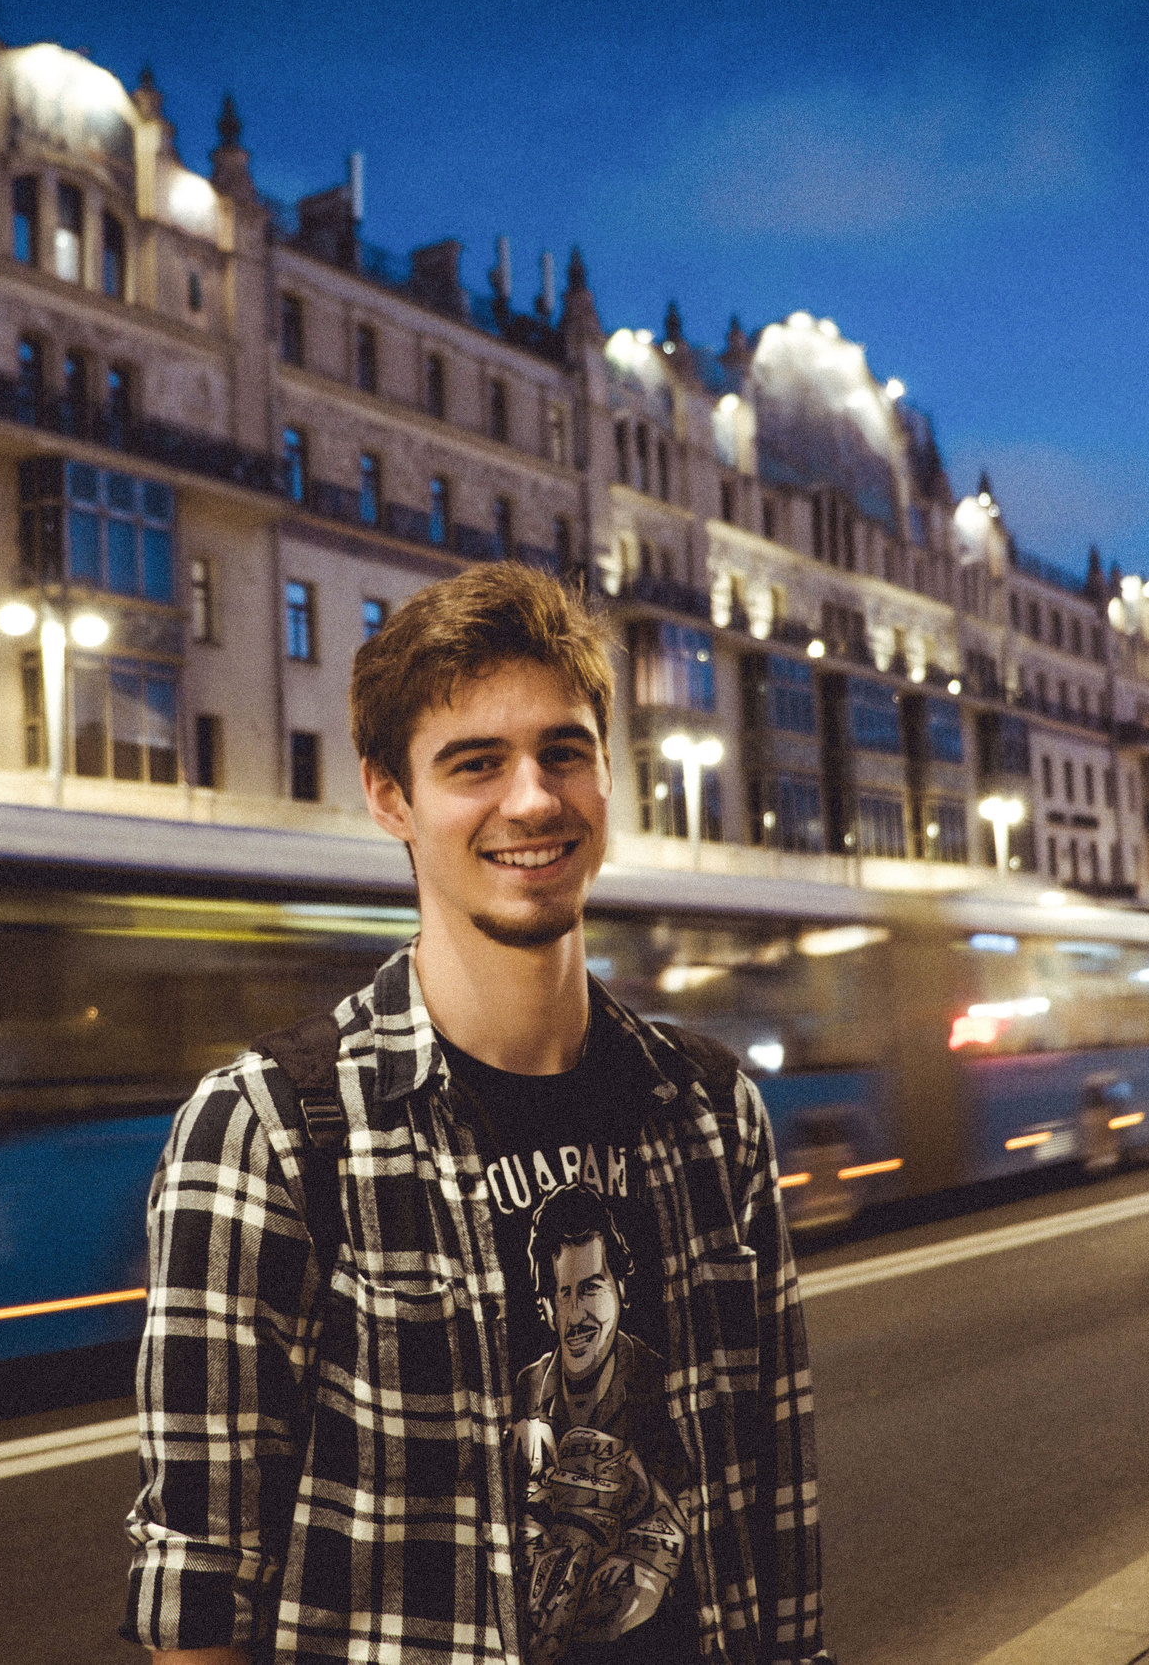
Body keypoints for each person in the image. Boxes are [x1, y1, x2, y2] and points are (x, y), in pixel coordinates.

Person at [123, 561, 827, 1665]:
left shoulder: (712, 1112)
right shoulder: (266, 1132)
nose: (533, 799)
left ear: (606, 775)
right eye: (474, 765)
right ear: (390, 797)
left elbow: (772, 1499)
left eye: (563, 751)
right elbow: (201, 1578)